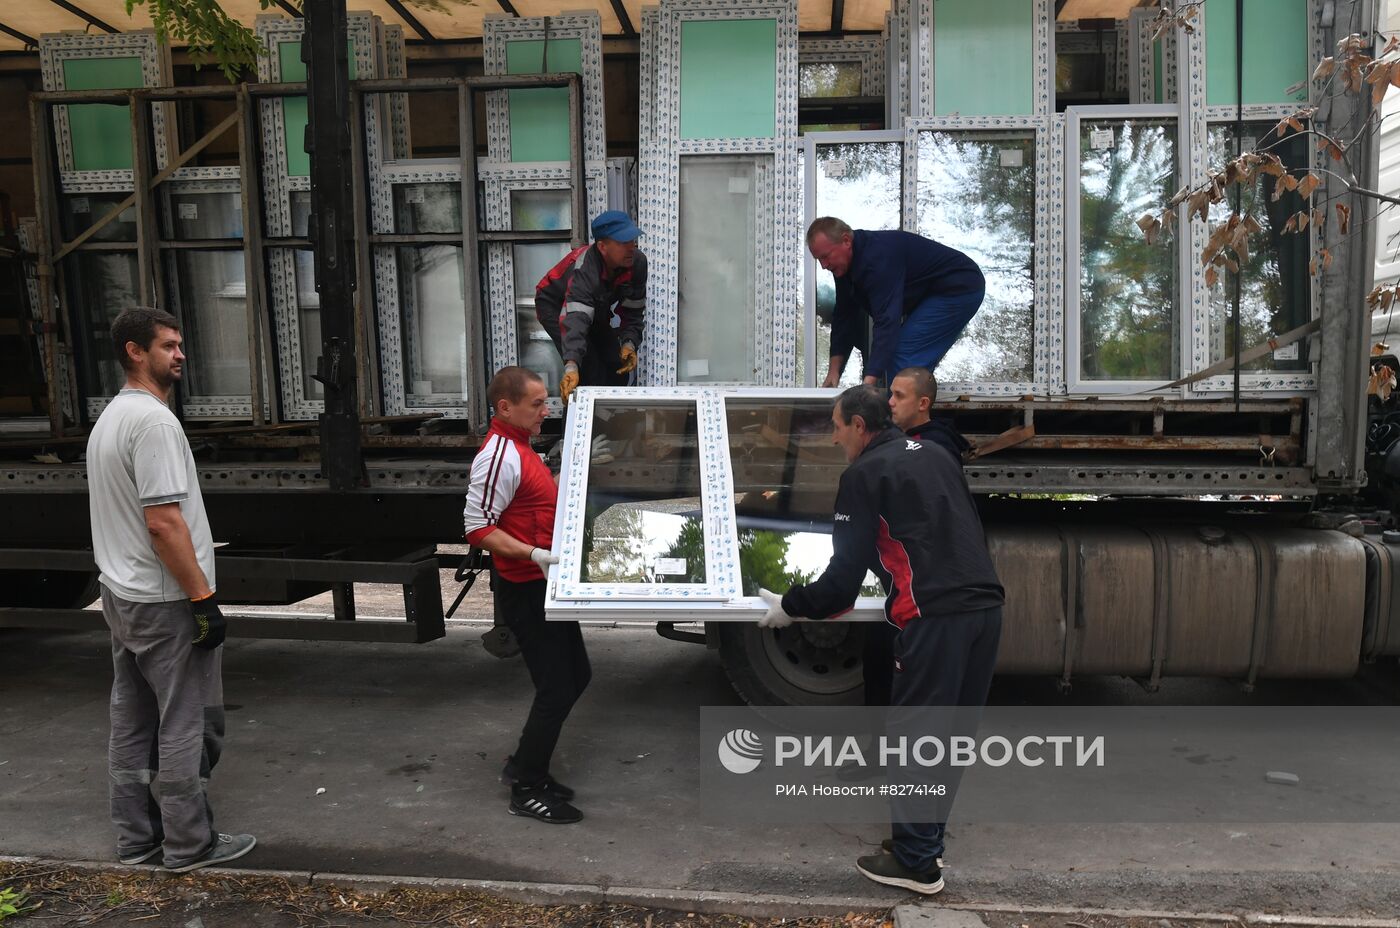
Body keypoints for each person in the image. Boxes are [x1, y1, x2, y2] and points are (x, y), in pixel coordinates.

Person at [756, 384, 1003, 895]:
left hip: (934, 618)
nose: (834, 435)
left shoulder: (863, 474)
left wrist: (790, 606)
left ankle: (917, 864)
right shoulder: (934, 452)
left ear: (860, 428)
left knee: (915, 738)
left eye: (837, 425)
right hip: (985, 608)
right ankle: (922, 844)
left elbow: (841, 585)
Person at [86, 306, 255, 873]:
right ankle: (189, 843)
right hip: (164, 601)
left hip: (123, 595)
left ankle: (136, 838)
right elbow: (163, 522)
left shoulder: (110, 418)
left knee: (131, 718)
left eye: (181, 344)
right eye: (168, 345)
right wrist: (203, 598)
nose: (180, 354)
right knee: (187, 720)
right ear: (136, 351)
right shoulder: (155, 423)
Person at [464, 366, 589, 824]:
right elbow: (477, 527)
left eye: (544, 401)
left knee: (577, 676)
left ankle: (525, 764)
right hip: (525, 589)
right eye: (536, 403)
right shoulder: (499, 454)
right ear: (505, 407)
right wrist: (534, 553)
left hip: (547, 585)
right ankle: (526, 786)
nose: (546, 409)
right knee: (557, 687)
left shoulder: (523, 449)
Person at [808, 217, 984, 388]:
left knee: (904, 353)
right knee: (900, 356)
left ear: (846, 241)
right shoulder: (844, 268)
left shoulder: (877, 259)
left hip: (958, 287)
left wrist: (867, 386)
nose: (824, 265)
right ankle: (904, 410)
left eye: (826, 256)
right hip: (930, 294)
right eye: (819, 260)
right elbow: (844, 317)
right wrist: (833, 373)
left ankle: (905, 415)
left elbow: (886, 321)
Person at [534, 210, 648, 404]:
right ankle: (575, 431)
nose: (632, 247)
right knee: (587, 371)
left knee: (616, 365)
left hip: (593, 309)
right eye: (623, 242)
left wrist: (629, 343)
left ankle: (608, 426)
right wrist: (571, 366)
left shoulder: (637, 263)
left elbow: (633, 310)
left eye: (632, 240)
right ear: (602, 246)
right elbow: (576, 319)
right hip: (554, 306)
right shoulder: (585, 271)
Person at [888, 366, 970, 461]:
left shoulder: (937, 448)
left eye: (899, 396)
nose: (890, 402)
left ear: (923, 404)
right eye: (891, 394)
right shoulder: (891, 436)